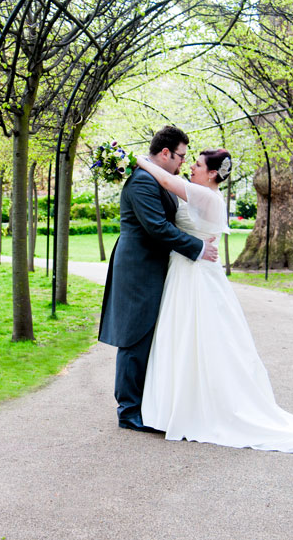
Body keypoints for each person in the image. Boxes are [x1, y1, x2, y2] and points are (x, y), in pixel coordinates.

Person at [134, 148, 293, 455]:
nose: (190, 168)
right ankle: (175, 402)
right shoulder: (200, 192)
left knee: (196, 336)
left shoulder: (207, 196)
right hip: (186, 270)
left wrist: (141, 161)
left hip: (196, 276)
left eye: (196, 164)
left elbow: (169, 184)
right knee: (182, 335)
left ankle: (194, 405)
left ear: (211, 173)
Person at [99, 126, 218, 433]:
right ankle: (128, 411)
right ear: (165, 153)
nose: (183, 163)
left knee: (149, 337)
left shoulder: (157, 179)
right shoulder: (142, 183)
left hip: (154, 266)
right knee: (134, 337)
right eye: (180, 156)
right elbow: (157, 228)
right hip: (138, 268)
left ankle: (145, 404)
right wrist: (199, 248)